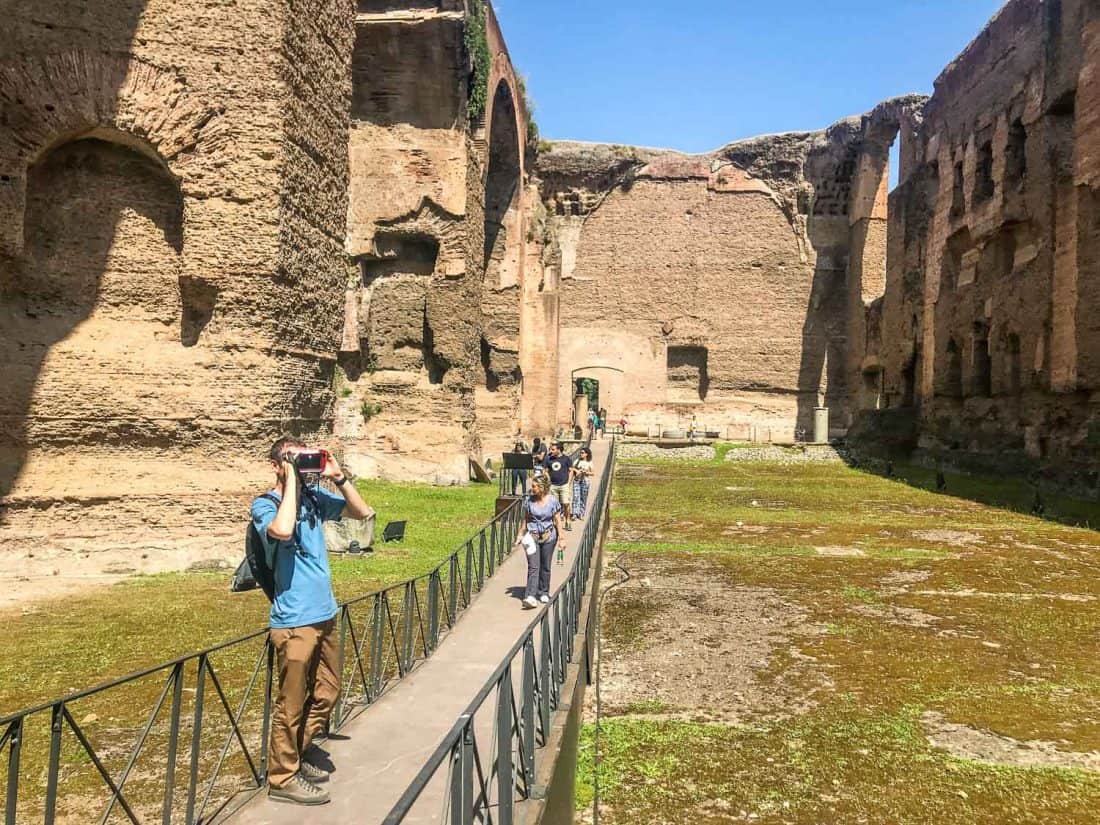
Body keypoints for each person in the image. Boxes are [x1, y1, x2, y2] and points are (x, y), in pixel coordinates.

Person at [252, 437, 374, 806]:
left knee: (328, 692)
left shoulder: (315, 499)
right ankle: (282, 777)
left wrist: (338, 477)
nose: (302, 464)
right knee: (290, 703)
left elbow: (362, 512)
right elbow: (283, 531)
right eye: (293, 457)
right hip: (294, 620)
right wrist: (291, 479)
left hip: (325, 614)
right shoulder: (266, 504)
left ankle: (296, 753)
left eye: (305, 457)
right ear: (276, 465)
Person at [513, 475, 566, 608]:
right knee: (533, 566)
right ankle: (530, 595)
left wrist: (562, 538)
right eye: (532, 486)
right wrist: (520, 535)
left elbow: (558, 520)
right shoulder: (529, 501)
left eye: (535, 486)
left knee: (545, 566)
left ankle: (543, 591)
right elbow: (526, 519)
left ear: (542, 488)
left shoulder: (552, 501)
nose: (532, 488)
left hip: (549, 536)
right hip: (533, 537)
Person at [542, 441, 575, 530]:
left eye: (553, 449)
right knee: (554, 505)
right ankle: (555, 522)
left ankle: (568, 520)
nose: (551, 451)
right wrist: (548, 479)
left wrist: (569, 482)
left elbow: (571, 470)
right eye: (551, 449)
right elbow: (545, 471)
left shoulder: (566, 459)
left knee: (566, 504)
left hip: (564, 485)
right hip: (553, 485)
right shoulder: (548, 459)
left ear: (559, 450)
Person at [572, 447, 594, 520]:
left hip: (585, 481)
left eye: (582, 453)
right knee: (576, 497)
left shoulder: (589, 462)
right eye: (580, 453)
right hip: (577, 480)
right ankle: (575, 513)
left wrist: (586, 472)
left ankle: (581, 513)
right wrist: (577, 470)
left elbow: (593, 473)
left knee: (583, 498)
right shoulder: (577, 461)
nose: (581, 454)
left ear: (586, 454)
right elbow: (572, 468)